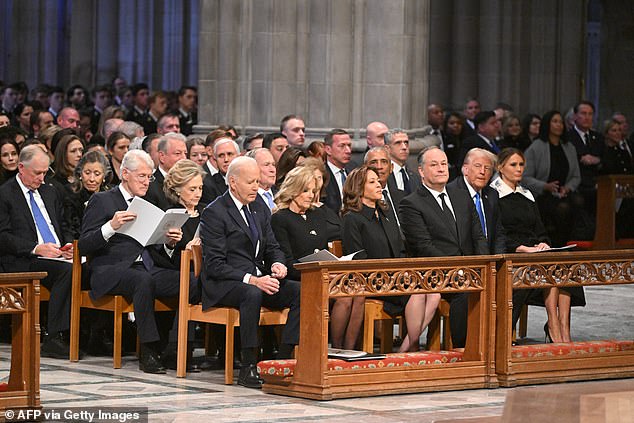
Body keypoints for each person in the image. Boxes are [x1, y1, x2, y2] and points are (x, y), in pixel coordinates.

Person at [79, 149, 195, 374]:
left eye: (149, 176)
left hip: (148, 265)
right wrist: (110, 227)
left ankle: (176, 349)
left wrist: (169, 242)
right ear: (125, 174)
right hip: (111, 269)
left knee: (190, 281)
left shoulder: (149, 202)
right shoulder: (102, 200)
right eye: (142, 176)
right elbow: (84, 244)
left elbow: (153, 244)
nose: (147, 181)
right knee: (142, 280)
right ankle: (149, 350)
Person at [200, 156, 300, 388]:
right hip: (225, 282)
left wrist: (278, 264)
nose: (256, 186)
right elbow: (215, 264)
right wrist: (253, 280)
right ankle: (248, 366)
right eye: (250, 182)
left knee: (300, 292)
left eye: (257, 181)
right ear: (233, 183)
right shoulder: (215, 212)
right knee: (251, 294)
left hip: (258, 278)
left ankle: (282, 359)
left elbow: (273, 246)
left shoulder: (259, 207)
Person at [343, 165, 440, 352]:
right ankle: (410, 350)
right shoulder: (352, 219)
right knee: (418, 294)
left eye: (378, 181)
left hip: (396, 277)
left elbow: (400, 250)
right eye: (372, 182)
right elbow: (356, 258)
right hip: (371, 280)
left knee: (434, 294)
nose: (379, 184)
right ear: (358, 188)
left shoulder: (386, 215)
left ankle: (405, 349)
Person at [490, 148, 583, 343]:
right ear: (500, 167)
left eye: (521, 165)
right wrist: (522, 249)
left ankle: (562, 328)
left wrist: (543, 242)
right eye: (513, 165)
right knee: (544, 269)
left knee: (566, 266)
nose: (519, 169)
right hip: (511, 253)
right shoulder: (493, 194)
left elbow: (540, 229)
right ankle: (553, 326)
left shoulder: (527, 194)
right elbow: (496, 233)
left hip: (534, 251)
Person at [399, 146, 488, 348]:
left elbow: (478, 237)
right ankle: (463, 350)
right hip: (437, 272)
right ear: (421, 171)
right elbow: (424, 246)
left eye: (443, 163)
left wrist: (481, 266)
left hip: (470, 269)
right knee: (465, 293)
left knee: (500, 287)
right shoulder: (411, 204)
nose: (441, 168)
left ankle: (494, 347)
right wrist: (456, 269)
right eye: (434, 164)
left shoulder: (462, 196)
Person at [0, 145, 73, 358]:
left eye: (44, 172)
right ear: (21, 168)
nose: (42, 178)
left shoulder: (50, 191)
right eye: (37, 173)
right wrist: (35, 248)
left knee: (89, 267)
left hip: (56, 254)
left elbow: (64, 224)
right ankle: (54, 337)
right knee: (66, 273)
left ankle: (90, 335)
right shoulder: (5, 194)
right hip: (24, 258)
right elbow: (3, 237)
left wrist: (67, 245)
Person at [523, 110, 584, 246]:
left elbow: (576, 176)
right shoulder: (536, 147)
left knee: (579, 201)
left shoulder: (569, 147)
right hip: (543, 193)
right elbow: (525, 177)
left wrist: (567, 188)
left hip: (564, 191)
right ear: (547, 124)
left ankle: (572, 241)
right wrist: (545, 186)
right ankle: (558, 244)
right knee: (563, 208)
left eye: (561, 122)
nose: (559, 125)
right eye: (555, 121)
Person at [271, 166, 330, 280]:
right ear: (293, 190)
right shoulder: (280, 218)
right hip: (298, 278)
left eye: (313, 191)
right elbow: (287, 261)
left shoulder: (318, 214)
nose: (311, 195)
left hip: (322, 275)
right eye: (305, 191)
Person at [63, 151, 112, 239]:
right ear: (80, 174)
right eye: (87, 173)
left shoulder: (111, 195)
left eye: (97, 174)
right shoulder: (70, 195)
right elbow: (69, 228)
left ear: (104, 176)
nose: (92, 179)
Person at [144, 132, 187, 210]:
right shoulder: (150, 187)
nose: (183, 158)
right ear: (162, 156)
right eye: (178, 153)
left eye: (185, 153)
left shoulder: (190, 182)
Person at [323, 128, 355, 213]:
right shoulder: (321, 174)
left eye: (349, 145)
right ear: (328, 150)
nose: (348, 151)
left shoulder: (355, 170)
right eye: (342, 146)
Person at [385, 128, 416, 195]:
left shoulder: (415, 177)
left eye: (406, 142)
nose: (404, 147)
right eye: (398, 143)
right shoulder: (383, 175)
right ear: (387, 148)